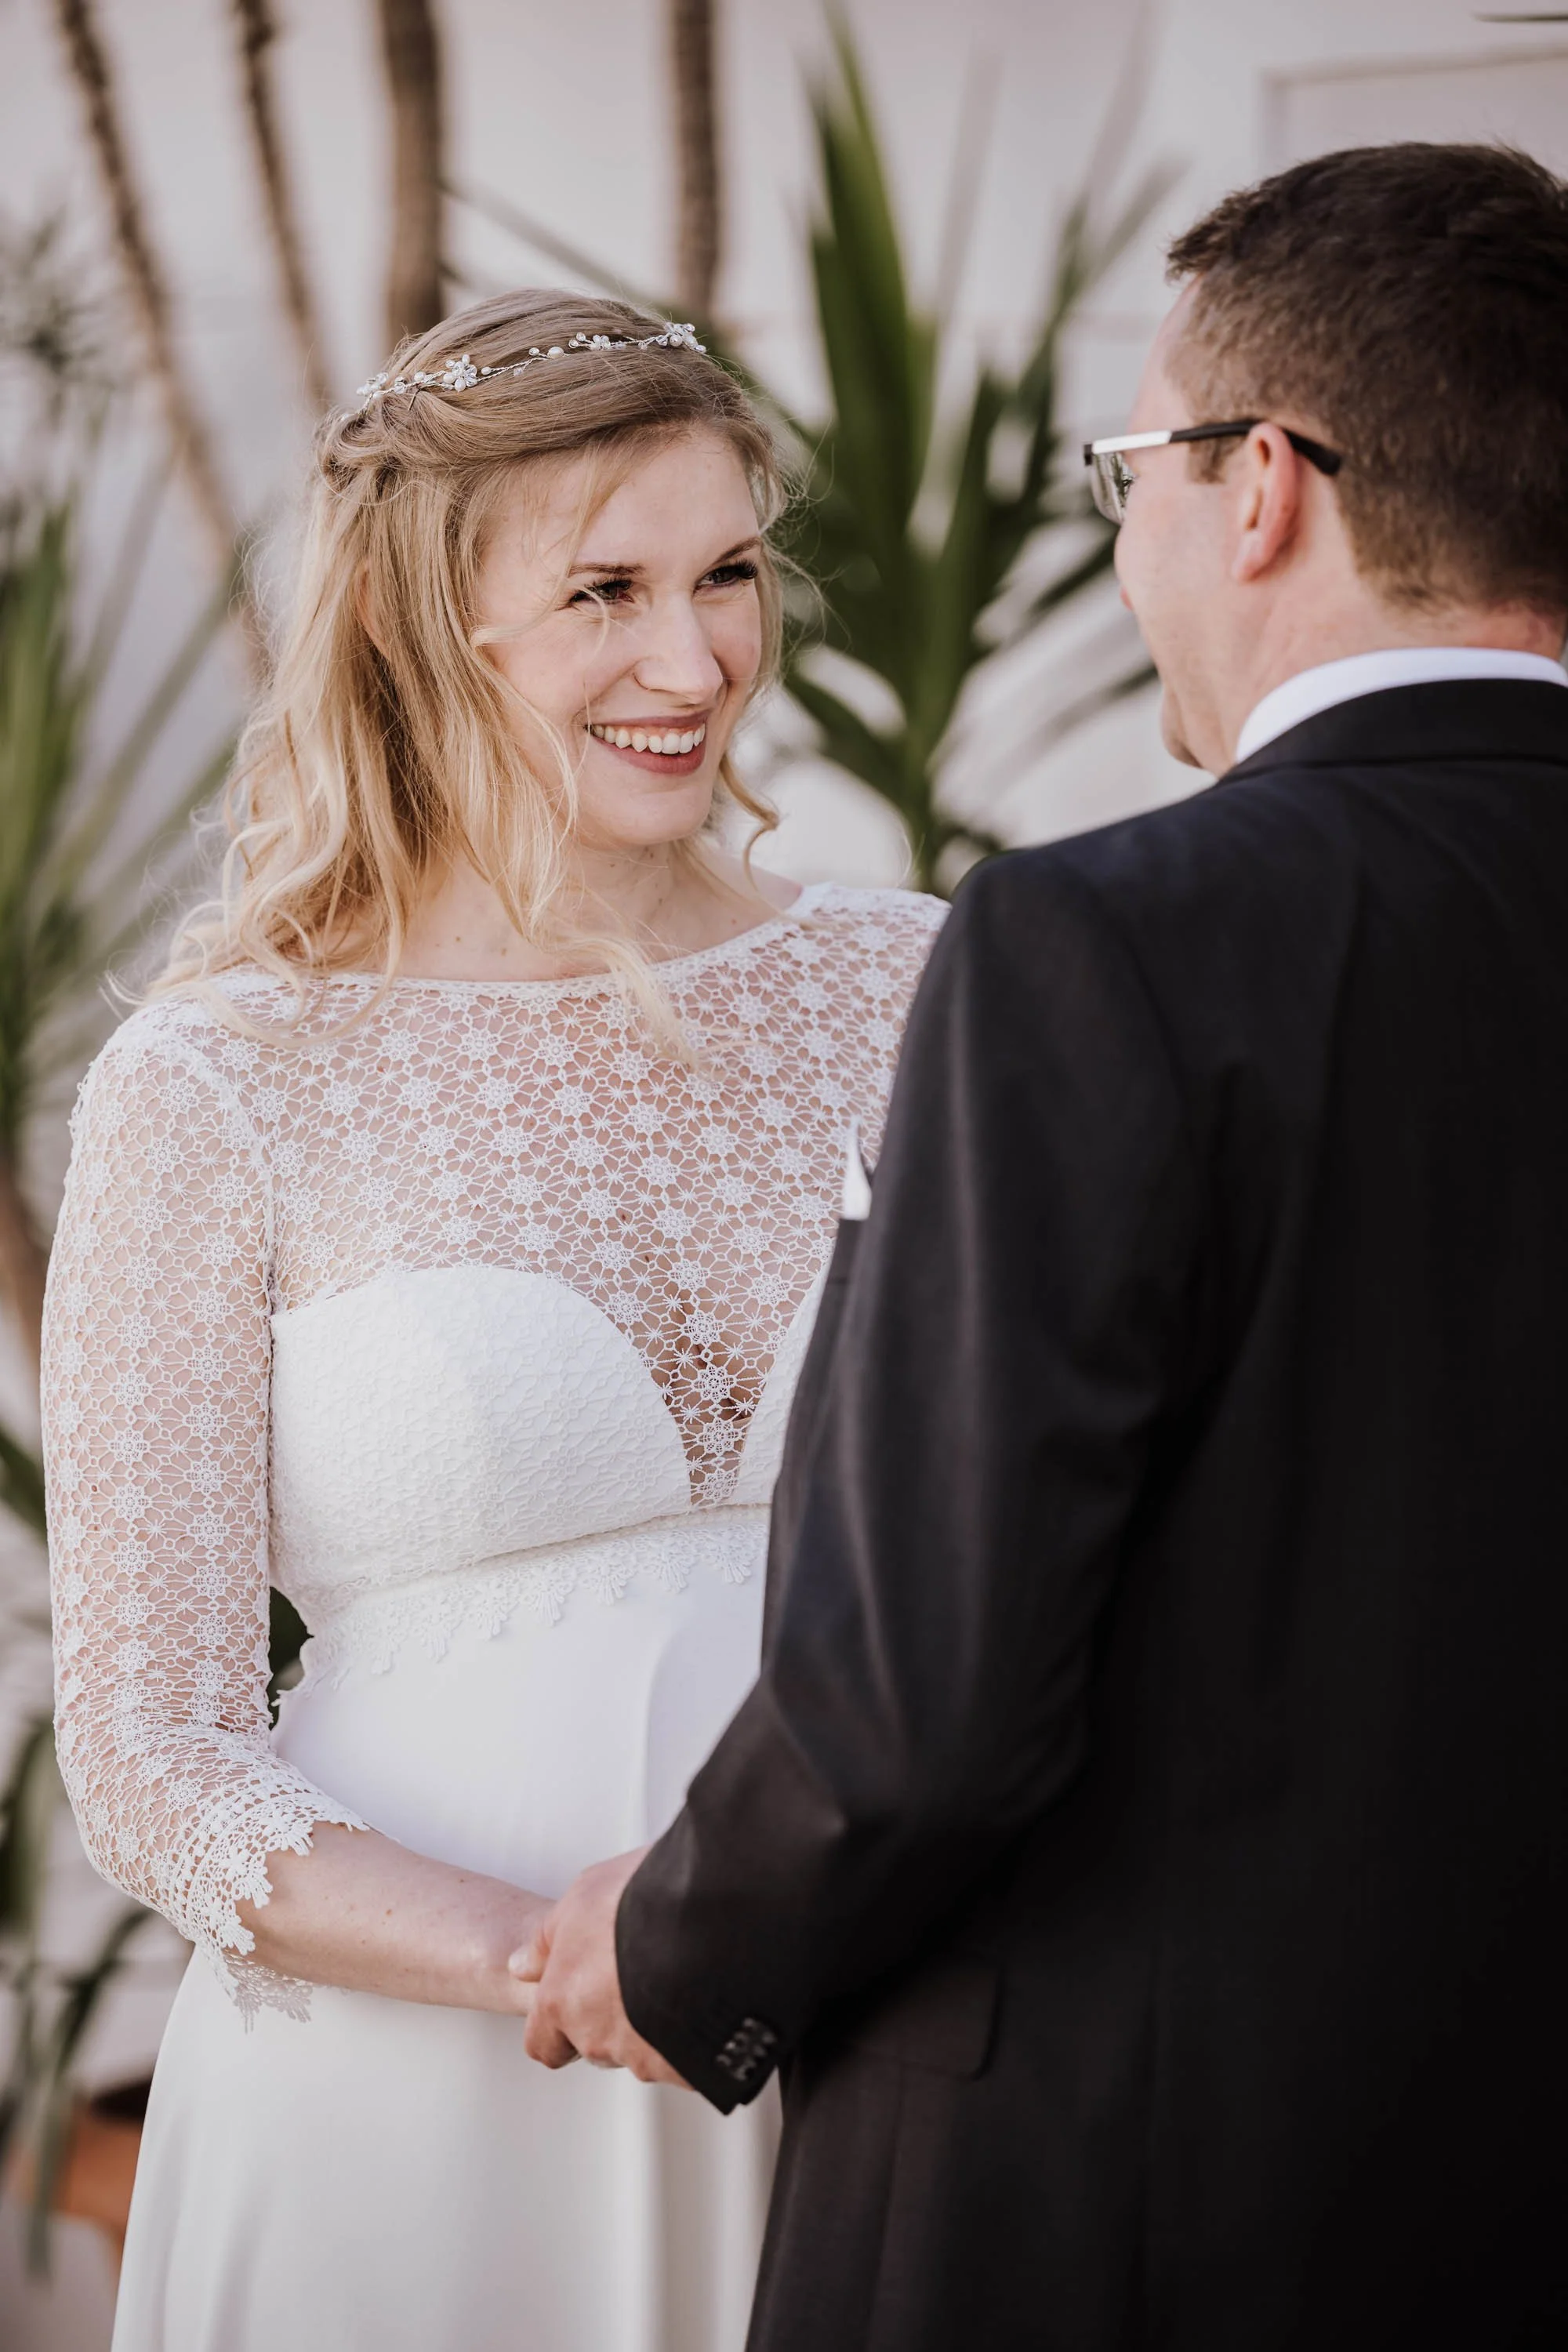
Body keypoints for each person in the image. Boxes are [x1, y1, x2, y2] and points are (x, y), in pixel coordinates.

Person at [518, 144, 1568, 2349]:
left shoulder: (1108, 946)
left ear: (1261, 483)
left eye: (1134, 473)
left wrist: (676, 1944)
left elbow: (931, 1686)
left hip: (1141, 2204)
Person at [40, 291, 945, 2352]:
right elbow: (154, 1749)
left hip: (877, 2039)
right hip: (422, 2093)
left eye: (727, 575)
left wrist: (774, 1937)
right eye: (605, 591)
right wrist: (576, 1959)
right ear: (434, 622)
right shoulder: (226, 1080)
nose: (694, 660)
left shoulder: (921, 982)